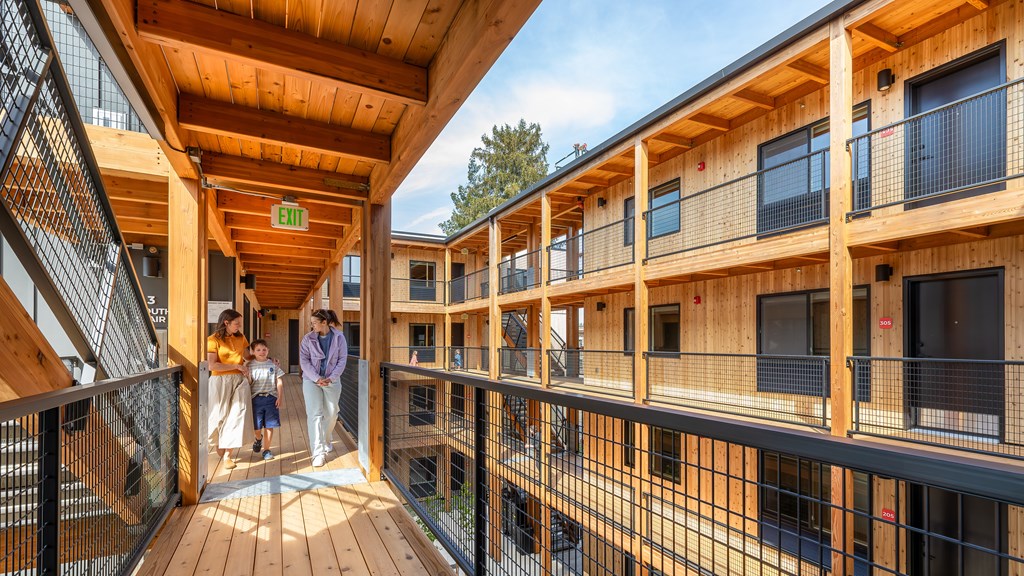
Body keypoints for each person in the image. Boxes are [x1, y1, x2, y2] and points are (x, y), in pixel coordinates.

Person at [299, 308, 348, 467]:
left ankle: (326, 439)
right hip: (311, 380)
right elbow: (304, 361)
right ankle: (318, 452)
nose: (312, 326)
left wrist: (330, 378)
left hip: (332, 381)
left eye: (314, 323)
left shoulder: (339, 338)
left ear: (324, 322)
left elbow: (342, 360)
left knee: (332, 413)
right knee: (314, 415)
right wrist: (317, 378)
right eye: (311, 323)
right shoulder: (307, 339)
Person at [207, 309, 251, 471]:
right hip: (219, 381)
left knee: (237, 415)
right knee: (219, 416)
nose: (239, 326)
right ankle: (220, 443)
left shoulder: (241, 338)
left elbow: (248, 357)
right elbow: (212, 365)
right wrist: (236, 366)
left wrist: (266, 359)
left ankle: (228, 455)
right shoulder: (212, 340)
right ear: (226, 323)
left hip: (239, 381)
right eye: (236, 323)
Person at [248, 339, 285, 461]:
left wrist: (279, 397)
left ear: (268, 350)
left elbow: (279, 381)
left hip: (271, 398)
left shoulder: (273, 364)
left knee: (269, 425)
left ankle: (267, 450)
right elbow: (248, 383)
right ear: (252, 351)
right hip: (255, 399)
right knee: (257, 427)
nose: (262, 352)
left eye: (264, 349)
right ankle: (258, 439)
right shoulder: (249, 365)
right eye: (258, 350)